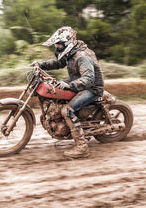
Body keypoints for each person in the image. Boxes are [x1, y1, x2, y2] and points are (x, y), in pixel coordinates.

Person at [34, 26, 104, 158]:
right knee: (55, 88)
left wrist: (69, 85)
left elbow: (89, 79)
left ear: (68, 43)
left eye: (60, 45)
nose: (57, 47)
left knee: (67, 110)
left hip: (91, 88)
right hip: (78, 82)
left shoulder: (82, 57)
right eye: (57, 45)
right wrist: (41, 64)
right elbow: (59, 63)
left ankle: (82, 147)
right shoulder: (70, 53)